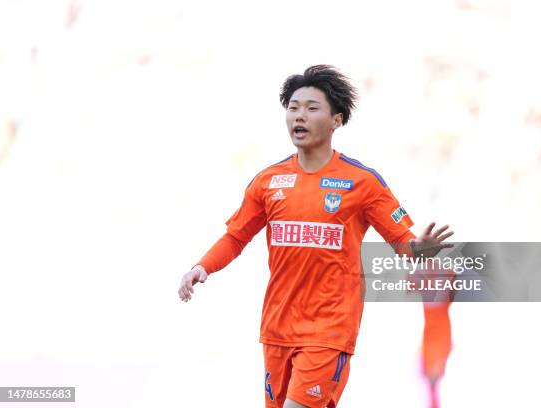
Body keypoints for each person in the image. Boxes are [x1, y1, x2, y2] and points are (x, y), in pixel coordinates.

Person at [178, 65, 454, 407]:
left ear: (336, 120)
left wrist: (420, 249)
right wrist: (202, 266)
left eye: (311, 108)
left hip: (329, 330)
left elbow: (402, 242)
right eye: (293, 108)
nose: (300, 116)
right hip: (277, 328)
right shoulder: (268, 181)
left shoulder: (362, 182)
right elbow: (236, 236)